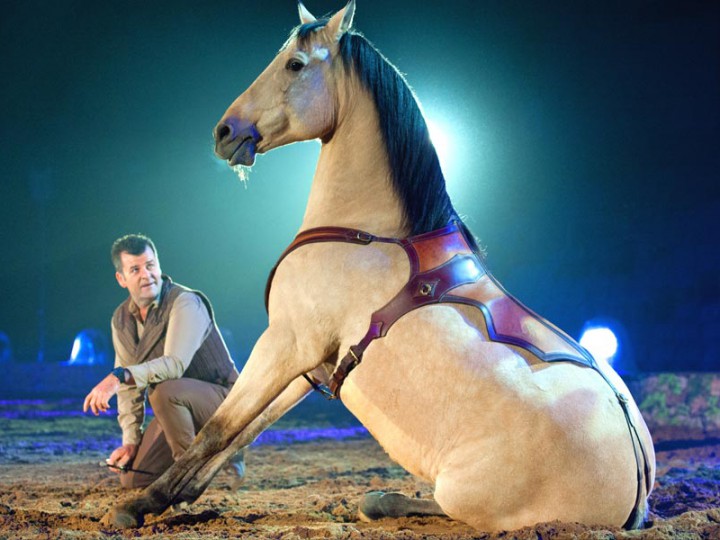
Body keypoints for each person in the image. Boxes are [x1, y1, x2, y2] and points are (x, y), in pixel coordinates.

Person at [83, 233, 244, 489]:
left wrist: (118, 376)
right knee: (133, 478)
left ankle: (191, 472)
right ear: (121, 279)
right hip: (176, 409)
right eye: (135, 270)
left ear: (159, 265)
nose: (146, 275)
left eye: (150, 265)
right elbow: (128, 390)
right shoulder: (121, 319)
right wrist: (131, 441)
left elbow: (175, 364)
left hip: (225, 403)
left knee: (164, 390)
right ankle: (191, 463)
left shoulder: (185, 302)